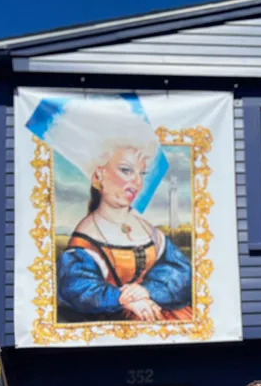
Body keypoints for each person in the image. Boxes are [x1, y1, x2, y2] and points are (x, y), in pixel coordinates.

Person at [38, 95, 193, 322]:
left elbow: (182, 273)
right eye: (126, 170)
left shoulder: (149, 231)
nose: (136, 182)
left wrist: (147, 291)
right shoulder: (85, 240)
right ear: (99, 174)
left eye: (141, 173)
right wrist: (123, 298)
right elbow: (77, 289)